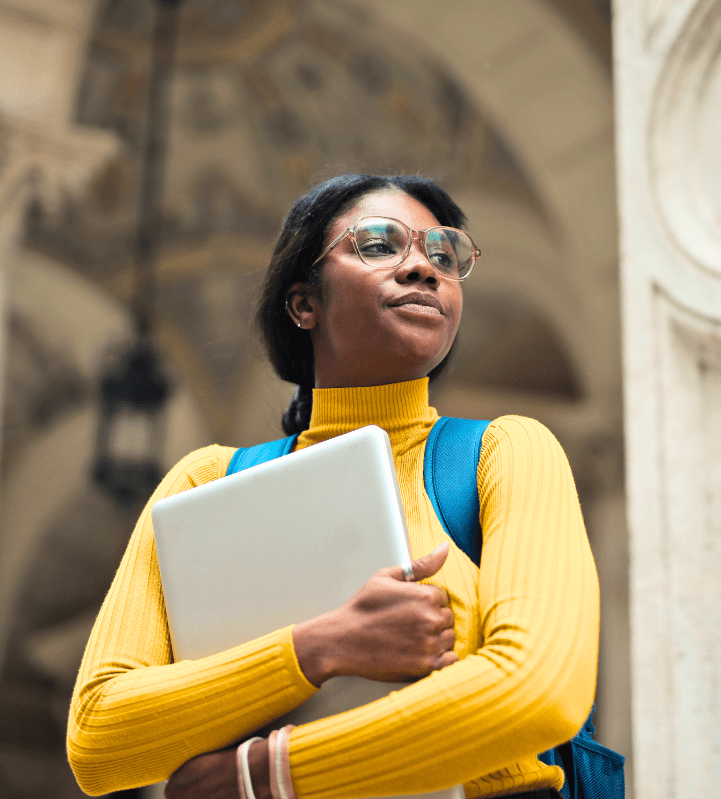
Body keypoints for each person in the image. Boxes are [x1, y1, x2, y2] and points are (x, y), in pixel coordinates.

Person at [67, 174, 599, 799]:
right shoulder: (205, 480)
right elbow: (99, 738)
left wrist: (262, 777)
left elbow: (538, 692)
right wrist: (324, 645)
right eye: (378, 244)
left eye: (444, 254)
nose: (424, 268)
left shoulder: (506, 452)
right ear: (303, 303)